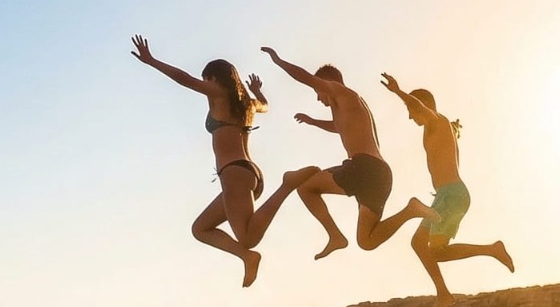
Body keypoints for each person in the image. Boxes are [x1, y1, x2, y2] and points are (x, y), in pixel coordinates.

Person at [130, 36, 300, 286]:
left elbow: (184, 79)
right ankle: (247, 257)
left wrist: (152, 61)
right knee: (201, 228)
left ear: (215, 78)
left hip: (234, 174)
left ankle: (288, 184)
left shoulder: (219, 94)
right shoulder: (248, 104)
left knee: (247, 236)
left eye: (206, 78)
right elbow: (265, 105)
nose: (204, 83)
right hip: (246, 174)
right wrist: (257, 91)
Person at [259, 45, 431, 258]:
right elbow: (340, 126)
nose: (318, 98)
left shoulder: (340, 92)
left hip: (364, 167)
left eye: (317, 91)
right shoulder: (351, 105)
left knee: (305, 187)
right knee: (367, 241)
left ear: (327, 84)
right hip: (380, 174)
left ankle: (335, 236)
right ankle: (410, 211)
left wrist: (278, 61)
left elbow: (303, 77)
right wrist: (313, 122)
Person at [380, 73, 514, 307]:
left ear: (424, 107)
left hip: (452, 195)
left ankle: (444, 294)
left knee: (420, 244)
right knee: (434, 251)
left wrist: (399, 92)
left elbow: (418, 106)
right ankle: (491, 250)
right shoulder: (436, 126)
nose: (410, 116)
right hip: (448, 196)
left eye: (412, 110)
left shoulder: (437, 121)